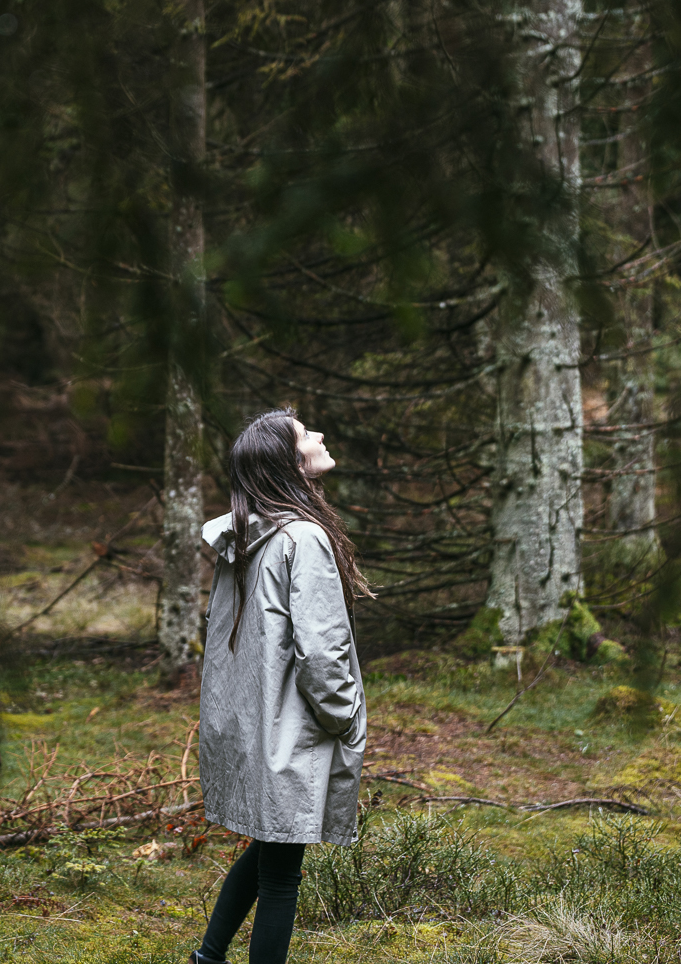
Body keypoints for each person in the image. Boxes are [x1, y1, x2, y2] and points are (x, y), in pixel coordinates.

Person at [189, 408, 373, 964]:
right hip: (290, 726)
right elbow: (321, 650)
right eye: (306, 433)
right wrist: (345, 717)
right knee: (283, 875)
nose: (319, 433)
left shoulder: (246, 535)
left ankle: (208, 957)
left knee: (272, 846)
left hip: (255, 722)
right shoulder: (303, 537)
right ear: (292, 462)